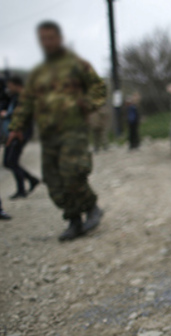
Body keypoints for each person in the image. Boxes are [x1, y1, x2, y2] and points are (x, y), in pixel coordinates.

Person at [6, 21, 106, 241]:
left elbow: (99, 87)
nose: (48, 42)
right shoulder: (38, 73)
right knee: (53, 180)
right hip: (49, 134)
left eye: (51, 37)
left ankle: (91, 207)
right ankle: (73, 220)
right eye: (43, 38)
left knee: (73, 173)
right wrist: (16, 128)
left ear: (59, 38)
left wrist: (87, 103)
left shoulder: (76, 65)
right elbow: (25, 102)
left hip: (73, 130)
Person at [2, 76, 40, 199]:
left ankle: (22, 189)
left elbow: (26, 115)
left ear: (15, 84)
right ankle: (32, 180)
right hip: (13, 132)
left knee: (11, 161)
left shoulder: (25, 97)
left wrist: (17, 130)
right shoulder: (14, 97)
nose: (8, 88)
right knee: (8, 162)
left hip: (20, 133)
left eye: (9, 85)